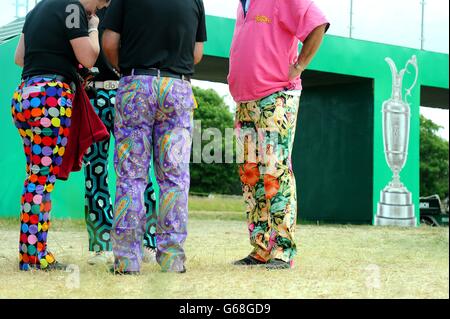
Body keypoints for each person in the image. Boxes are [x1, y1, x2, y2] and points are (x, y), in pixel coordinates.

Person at [102, 0, 207, 274]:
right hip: (178, 88)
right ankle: (172, 259)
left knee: (130, 177)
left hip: (136, 84)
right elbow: (197, 53)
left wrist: (124, 70)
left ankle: (127, 261)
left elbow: (110, 42)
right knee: (175, 179)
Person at [229, 0, 330, 270]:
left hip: (275, 97)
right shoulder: (242, 5)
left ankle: (283, 249)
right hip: (245, 101)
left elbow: (318, 23)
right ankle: (261, 247)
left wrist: (299, 66)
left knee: (275, 171)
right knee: (250, 174)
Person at [12, 0, 107, 271]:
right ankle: (33, 256)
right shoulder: (71, 8)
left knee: (36, 177)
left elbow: (20, 58)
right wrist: (92, 28)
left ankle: (33, 251)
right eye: (99, 5)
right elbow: (89, 57)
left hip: (24, 95)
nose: (96, 11)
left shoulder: (36, 10)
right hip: (50, 98)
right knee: (41, 181)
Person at [81, 0, 158, 266]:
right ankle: (101, 245)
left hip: (128, 92)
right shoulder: (86, 9)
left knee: (138, 169)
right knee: (95, 171)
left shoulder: (132, 6)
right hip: (94, 94)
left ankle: (146, 241)